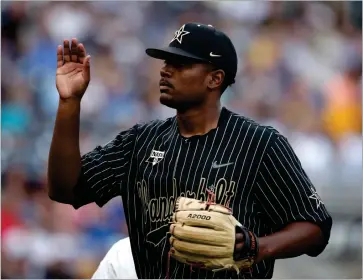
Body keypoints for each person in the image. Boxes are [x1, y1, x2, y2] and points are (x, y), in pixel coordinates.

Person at [48, 22, 332, 279]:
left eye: (180, 63)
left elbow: (315, 228)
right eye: (166, 61)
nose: (165, 69)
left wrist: (258, 247)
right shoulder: (139, 142)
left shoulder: (260, 143)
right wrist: (70, 102)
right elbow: (65, 189)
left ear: (214, 79)